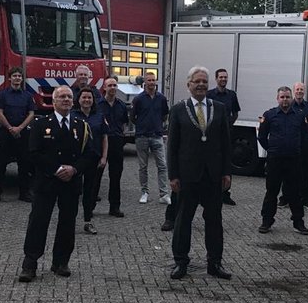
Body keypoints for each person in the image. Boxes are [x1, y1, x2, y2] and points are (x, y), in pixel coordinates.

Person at [18, 86, 94, 282]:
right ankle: (30, 263)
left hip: (71, 182)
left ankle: (61, 262)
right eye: (62, 97)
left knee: (67, 223)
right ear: (54, 102)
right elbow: (33, 152)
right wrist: (56, 169)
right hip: (47, 181)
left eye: (69, 97)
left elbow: (90, 154)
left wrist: (74, 169)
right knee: (38, 221)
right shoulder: (40, 124)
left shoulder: (81, 126)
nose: (66, 100)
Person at [168, 66, 232, 280]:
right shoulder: (178, 110)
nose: (202, 85)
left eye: (204, 81)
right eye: (197, 81)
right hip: (187, 176)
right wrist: (173, 175)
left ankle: (215, 263)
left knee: (214, 220)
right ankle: (180, 262)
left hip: (213, 175)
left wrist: (226, 172)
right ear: (189, 85)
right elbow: (173, 146)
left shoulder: (220, 108)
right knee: (183, 219)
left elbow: (225, 143)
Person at [257, 86, 308, 236]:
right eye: (282, 97)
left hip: (293, 160)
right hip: (275, 160)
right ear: (277, 98)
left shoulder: (300, 116)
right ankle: (267, 221)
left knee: (295, 193)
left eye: (287, 97)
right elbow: (261, 137)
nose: (285, 100)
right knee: (271, 192)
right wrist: (271, 149)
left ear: (291, 98)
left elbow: (305, 137)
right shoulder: (270, 115)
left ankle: (298, 222)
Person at [0, 67, 35, 204]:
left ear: (22, 79)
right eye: (14, 76)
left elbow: (32, 114)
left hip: (22, 133)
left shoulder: (27, 96)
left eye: (19, 76)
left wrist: (20, 128)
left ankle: (24, 193)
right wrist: (10, 128)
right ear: (9, 78)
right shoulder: (3, 94)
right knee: (2, 164)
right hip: (6, 132)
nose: (17, 78)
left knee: (24, 164)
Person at [72, 88, 108, 235]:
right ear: (78, 100)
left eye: (89, 98)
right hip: (76, 160)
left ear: (93, 100)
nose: (86, 100)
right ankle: (70, 221)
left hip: (93, 159)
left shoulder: (99, 116)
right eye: (84, 97)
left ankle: (88, 221)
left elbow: (105, 138)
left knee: (90, 191)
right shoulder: (72, 116)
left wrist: (104, 157)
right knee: (74, 191)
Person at [131, 72, 170, 204]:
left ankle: (164, 194)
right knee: (143, 167)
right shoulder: (138, 99)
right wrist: (143, 125)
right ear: (145, 82)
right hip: (142, 136)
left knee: (163, 165)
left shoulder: (162, 98)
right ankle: (144, 192)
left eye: (153, 80)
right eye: (149, 80)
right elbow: (133, 118)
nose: (152, 82)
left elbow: (165, 115)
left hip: (157, 136)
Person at [278, 82, 308, 210]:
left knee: (305, 173)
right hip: (292, 144)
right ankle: (285, 199)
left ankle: (306, 200)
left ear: (304, 91)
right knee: (288, 172)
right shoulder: (288, 105)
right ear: (294, 91)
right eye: (297, 89)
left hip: (305, 145)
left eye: (301, 89)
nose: (299, 91)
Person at [206, 68, 241, 206]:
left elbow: (236, 112)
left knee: (226, 163)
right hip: (212, 135)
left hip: (227, 135)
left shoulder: (232, 95)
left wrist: (228, 124)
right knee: (211, 163)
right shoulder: (209, 95)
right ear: (216, 79)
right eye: (221, 77)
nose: (223, 79)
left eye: (225, 77)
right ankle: (210, 192)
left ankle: (226, 193)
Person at [96, 77, 129, 217]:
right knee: (96, 176)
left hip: (116, 143)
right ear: (104, 87)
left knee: (115, 177)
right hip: (101, 143)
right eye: (110, 85)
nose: (113, 88)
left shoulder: (121, 105)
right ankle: (90, 206)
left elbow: (124, 123)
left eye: (115, 85)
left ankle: (114, 207)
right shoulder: (97, 105)